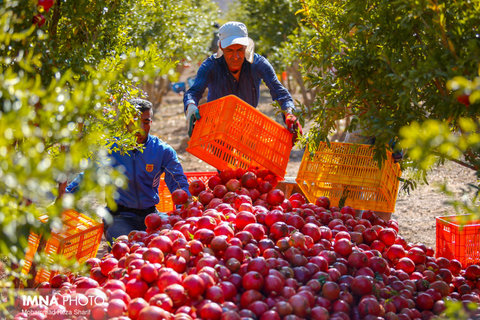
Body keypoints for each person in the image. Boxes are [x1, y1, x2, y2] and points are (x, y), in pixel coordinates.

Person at [64, 98, 190, 244]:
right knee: (125, 248)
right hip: (119, 216)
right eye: (134, 122)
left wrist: (185, 209)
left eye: (146, 122)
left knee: (168, 243)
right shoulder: (111, 149)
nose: (141, 128)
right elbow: (88, 176)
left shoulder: (162, 150)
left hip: (150, 215)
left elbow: (178, 183)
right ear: (125, 122)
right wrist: (65, 197)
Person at [183, 21, 302, 143]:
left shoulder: (258, 64)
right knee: (224, 159)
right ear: (221, 47)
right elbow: (193, 92)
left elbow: (279, 91)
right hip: (218, 128)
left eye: (240, 50)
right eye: (230, 50)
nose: (236, 56)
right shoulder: (210, 66)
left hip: (248, 125)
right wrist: (191, 106)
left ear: (246, 47)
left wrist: (289, 113)